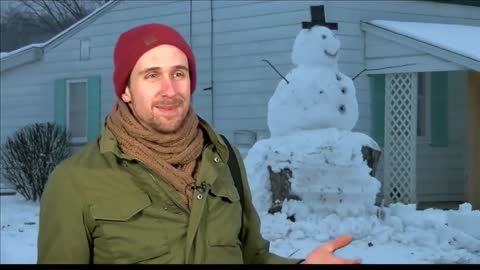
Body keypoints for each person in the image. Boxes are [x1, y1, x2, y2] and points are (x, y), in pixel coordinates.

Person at [37, 23, 361, 264]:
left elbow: (252, 257)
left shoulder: (223, 159)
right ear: (125, 90)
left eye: (179, 74)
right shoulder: (77, 181)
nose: (169, 89)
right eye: (152, 75)